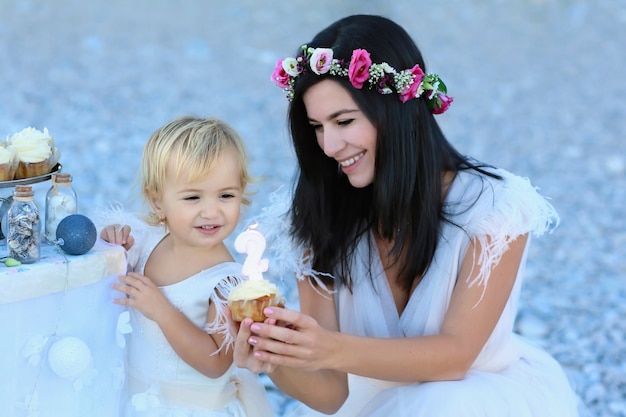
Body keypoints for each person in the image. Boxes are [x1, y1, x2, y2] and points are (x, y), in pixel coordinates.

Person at [232, 14, 580, 417]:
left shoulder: (494, 207)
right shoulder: (320, 212)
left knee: (447, 404)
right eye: (317, 127)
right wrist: (275, 358)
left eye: (344, 121)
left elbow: (454, 358)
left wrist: (328, 347)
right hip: (370, 406)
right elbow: (330, 395)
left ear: (397, 111)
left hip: (478, 402)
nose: (329, 146)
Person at [100, 116, 273, 417]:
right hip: (137, 401)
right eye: (193, 197)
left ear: (241, 192)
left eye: (226, 195)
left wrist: (163, 311)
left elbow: (216, 363)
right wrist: (114, 245)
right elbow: (113, 280)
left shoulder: (227, 282)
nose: (211, 211)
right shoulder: (148, 243)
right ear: (157, 202)